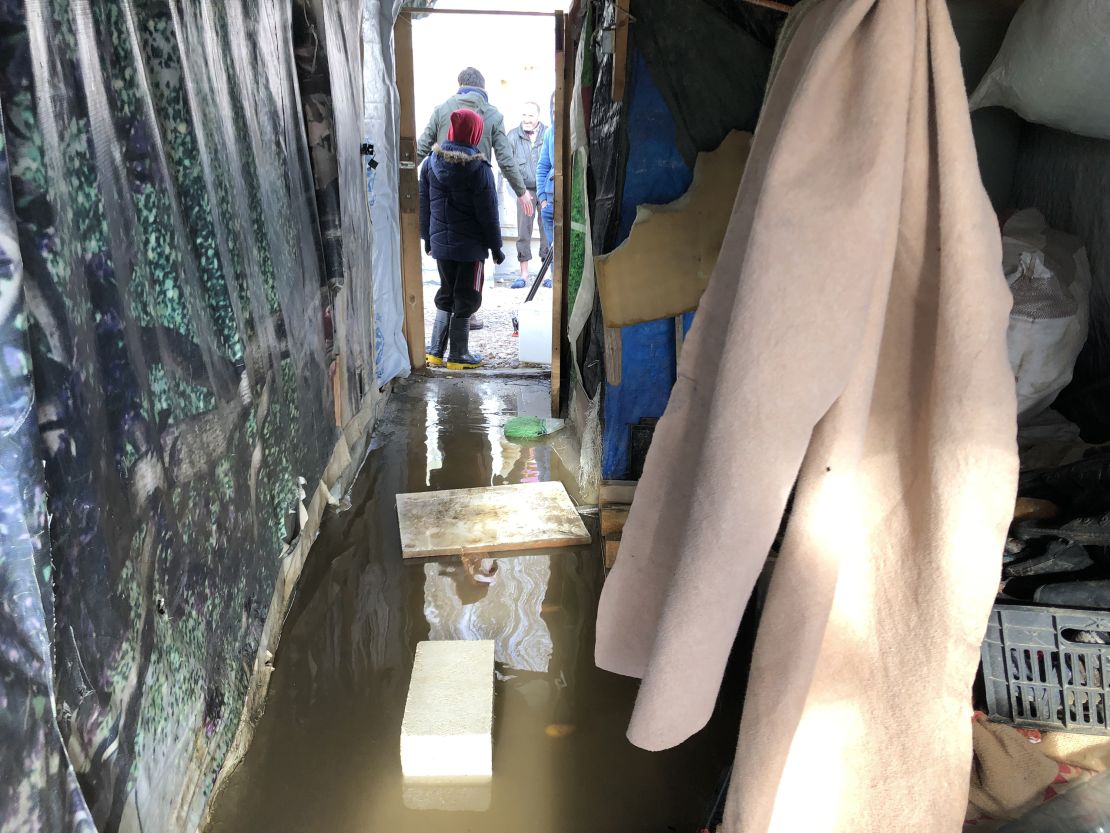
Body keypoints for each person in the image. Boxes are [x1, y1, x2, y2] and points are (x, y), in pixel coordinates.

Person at [419, 109, 505, 370]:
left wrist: (427, 238)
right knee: (467, 296)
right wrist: (496, 246)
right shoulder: (479, 168)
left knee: (446, 291)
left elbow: (424, 205)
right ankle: (458, 354)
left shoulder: (430, 164)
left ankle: (435, 351)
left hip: (441, 246)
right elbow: (488, 213)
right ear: (476, 133)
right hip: (471, 249)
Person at [416, 67, 534, 222]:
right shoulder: (494, 115)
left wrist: (398, 177)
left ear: (460, 85)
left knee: (443, 236)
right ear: (483, 88)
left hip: (442, 194)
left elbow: (420, 149)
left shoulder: (441, 110)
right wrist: (521, 191)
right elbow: (505, 160)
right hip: (476, 193)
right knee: (475, 240)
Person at [503, 101, 549, 281]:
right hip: (524, 192)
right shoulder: (512, 136)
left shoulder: (548, 133)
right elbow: (507, 167)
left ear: (538, 116)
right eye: (524, 115)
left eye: (530, 115)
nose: (527, 119)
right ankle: (523, 274)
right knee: (523, 231)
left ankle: (546, 274)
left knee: (547, 230)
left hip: (546, 191)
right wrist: (521, 191)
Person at [535, 94, 556, 287]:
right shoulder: (550, 133)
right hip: (549, 201)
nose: (556, 109)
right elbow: (542, 166)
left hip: (568, 202)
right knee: (553, 250)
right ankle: (555, 286)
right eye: (553, 105)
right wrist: (542, 199)